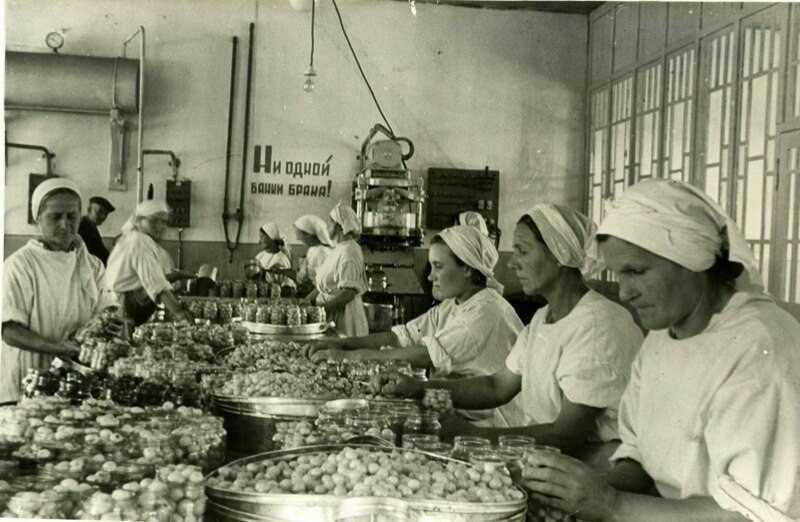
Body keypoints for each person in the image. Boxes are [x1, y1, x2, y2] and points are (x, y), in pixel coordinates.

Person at [521, 180, 800, 521]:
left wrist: (611, 504)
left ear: (692, 260)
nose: (625, 293)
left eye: (636, 272)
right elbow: (638, 458)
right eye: (618, 275)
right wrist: (577, 494)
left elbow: (749, 515)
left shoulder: (760, 347)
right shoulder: (662, 338)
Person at [376, 205, 643, 446]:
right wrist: (418, 388)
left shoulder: (598, 325)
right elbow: (497, 386)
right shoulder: (543, 318)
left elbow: (568, 433)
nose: (513, 263)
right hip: (547, 458)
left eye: (523, 251)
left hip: (593, 471)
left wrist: (472, 435)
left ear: (560, 255)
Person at [311, 224, 527, 427]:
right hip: (455, 410)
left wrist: (349, 357)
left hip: (488, 426)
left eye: (438, 267)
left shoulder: (485, 312)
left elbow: (426, 355)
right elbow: (400, 336)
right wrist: (342, 344)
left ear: (468, 269)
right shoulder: (453, 304)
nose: (431, 276)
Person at [2, 179, 119, 402]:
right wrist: (56, 348)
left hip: (75, 382)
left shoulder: (92, 265)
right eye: (55, 217)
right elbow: (9, 331)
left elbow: (107, 310)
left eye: (71, 216)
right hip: (28, 382)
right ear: (38, 218)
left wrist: (110, 324)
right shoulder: (20, 265)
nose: (65, 225)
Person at [106, 200, 195, 326]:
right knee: (122, 343)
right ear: (139, 221)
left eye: (164, 222)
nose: (160, 226)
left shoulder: (133, 237)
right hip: (124, 307)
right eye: (154, 221)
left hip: (121, 303)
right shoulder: (140, 241)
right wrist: (179, 312)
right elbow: (156, 283)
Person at [309, 202, 369, 337]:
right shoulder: (339, 248)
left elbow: (348, 293)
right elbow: (325, 285)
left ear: (338, 225)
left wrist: (321, 310)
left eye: (329, 223)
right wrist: (306, 302)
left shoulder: (350, 251)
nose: (326, 226)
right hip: (331, 312)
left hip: (345, 317)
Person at [293, 215, 334, 297]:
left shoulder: (321, 253)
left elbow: (324, 285)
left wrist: (306, 301)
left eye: (300, 235)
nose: (297, 239)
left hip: (322, 297)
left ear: (310, 235)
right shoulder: (313, 250)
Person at [254, 222, 296, 296]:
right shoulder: (261, 255)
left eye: (261, 237)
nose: (259, 241)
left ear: (271, 238)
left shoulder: (281, 260)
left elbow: (288, 289)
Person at [78, 196, 115, 265]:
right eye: (100, 212)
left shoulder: (91, 227)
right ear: (89, 210)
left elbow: (102, 253)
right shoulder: (81, 228)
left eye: (106, 214)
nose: (103, 217)